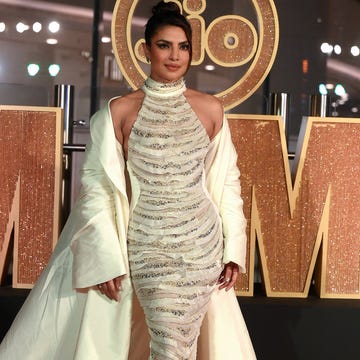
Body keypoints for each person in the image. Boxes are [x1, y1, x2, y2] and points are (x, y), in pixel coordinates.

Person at [0, 1, 256, 359]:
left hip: (201, 249)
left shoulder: (211, 109)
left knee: (182, 346)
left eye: (183, 47)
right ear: (146, 49)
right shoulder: (118, 111)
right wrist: (105, 257)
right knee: (168, 345)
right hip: (146, 245)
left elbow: (227, 183)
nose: (174, 55)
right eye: (164, 45)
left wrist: (234, 251)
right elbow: (98, 189)